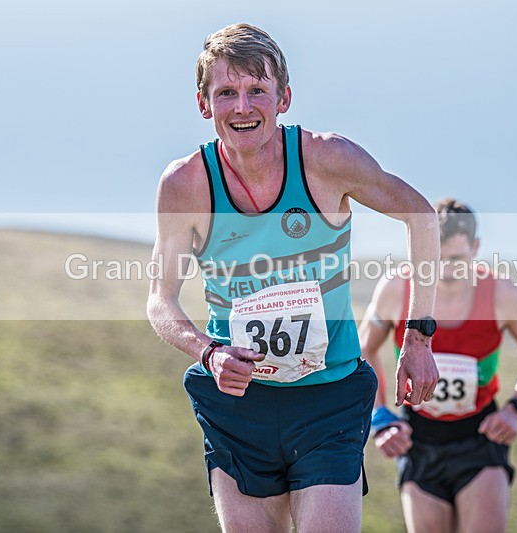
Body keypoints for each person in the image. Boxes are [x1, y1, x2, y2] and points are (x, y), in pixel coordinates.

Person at [146, 23, 440, 532]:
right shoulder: (185, 184)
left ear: (283, 97)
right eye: (226, 93)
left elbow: (421, 216)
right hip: (238, 404)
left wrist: (418, 335)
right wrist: (207, 352)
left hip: (329, 398)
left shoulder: (327, 159)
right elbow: (160, 300)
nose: (243, 107)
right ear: (203, 103)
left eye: (257, 90)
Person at [360, 198, 517, 533]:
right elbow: (365, 351)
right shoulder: (396, 289)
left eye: (458, 259)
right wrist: (381, 419)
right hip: (417, 438)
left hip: (478, 437)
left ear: (476, 248)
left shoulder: (501, 293)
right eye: (436, 260)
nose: (447, 271)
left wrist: (514, 408)